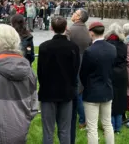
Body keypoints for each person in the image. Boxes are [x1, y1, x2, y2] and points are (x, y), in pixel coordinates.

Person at [38, 16, 80, 144]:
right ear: (66, 28)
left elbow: (41, 71)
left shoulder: (44, 47)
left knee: (48, 130)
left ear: (51, 28)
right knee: (64, 129)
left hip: (48, 92)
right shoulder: (73, 47)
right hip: (66, 91)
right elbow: (75, 69)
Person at [80, 22, 116, 144]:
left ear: (91, 33)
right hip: (107, 89)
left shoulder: (89, 51)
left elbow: (83, 73)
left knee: (92, 127)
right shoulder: (112, 48)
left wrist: (87, 85)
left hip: (92, 92)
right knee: (107, 124)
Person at [66, 8, 91, 142]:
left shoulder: (71, 30)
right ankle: (83, 118)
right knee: (81, 91)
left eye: (75, 13)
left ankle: (82, 118)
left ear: (79, 17)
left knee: (77, 92)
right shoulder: (87, 31)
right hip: (85, 63)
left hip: (73, 63)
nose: (73, 14)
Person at [104, 23, 128, 134]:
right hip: (122, 75)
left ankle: (111, 125)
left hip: (109, 73)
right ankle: (118, 126)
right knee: (120, 99)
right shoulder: (123, 45)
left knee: (109, 100)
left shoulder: (106, 44)